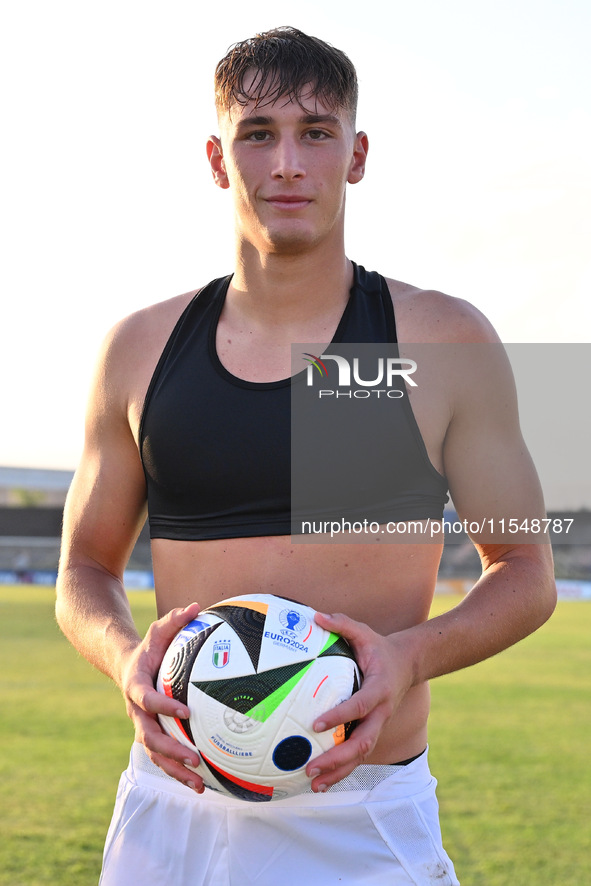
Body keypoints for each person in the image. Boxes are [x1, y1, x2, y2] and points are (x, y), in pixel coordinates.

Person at [55, 26, 556, 886]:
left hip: (359, 815)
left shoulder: (438, 337)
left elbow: (524, 569)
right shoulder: (138, 349)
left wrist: (408, 657)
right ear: (219, 159)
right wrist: (123, 655)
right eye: (258, 134)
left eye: (314, 133)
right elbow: (83, 568)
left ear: (355, 156)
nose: (286, 163)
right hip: (171, 807)